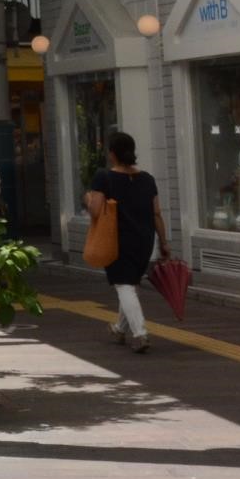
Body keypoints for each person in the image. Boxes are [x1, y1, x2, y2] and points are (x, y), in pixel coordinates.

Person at [84, 131, 167, 353]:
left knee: (123, 285)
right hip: (144, 240)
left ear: (112, 154)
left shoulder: (104, 177)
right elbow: (157, 213)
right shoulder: (147, 179)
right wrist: (164, 242)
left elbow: (94, 211)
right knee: (130, 283)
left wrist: (88, 198)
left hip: (117, 240)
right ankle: (119, 329)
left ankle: (140, 333)